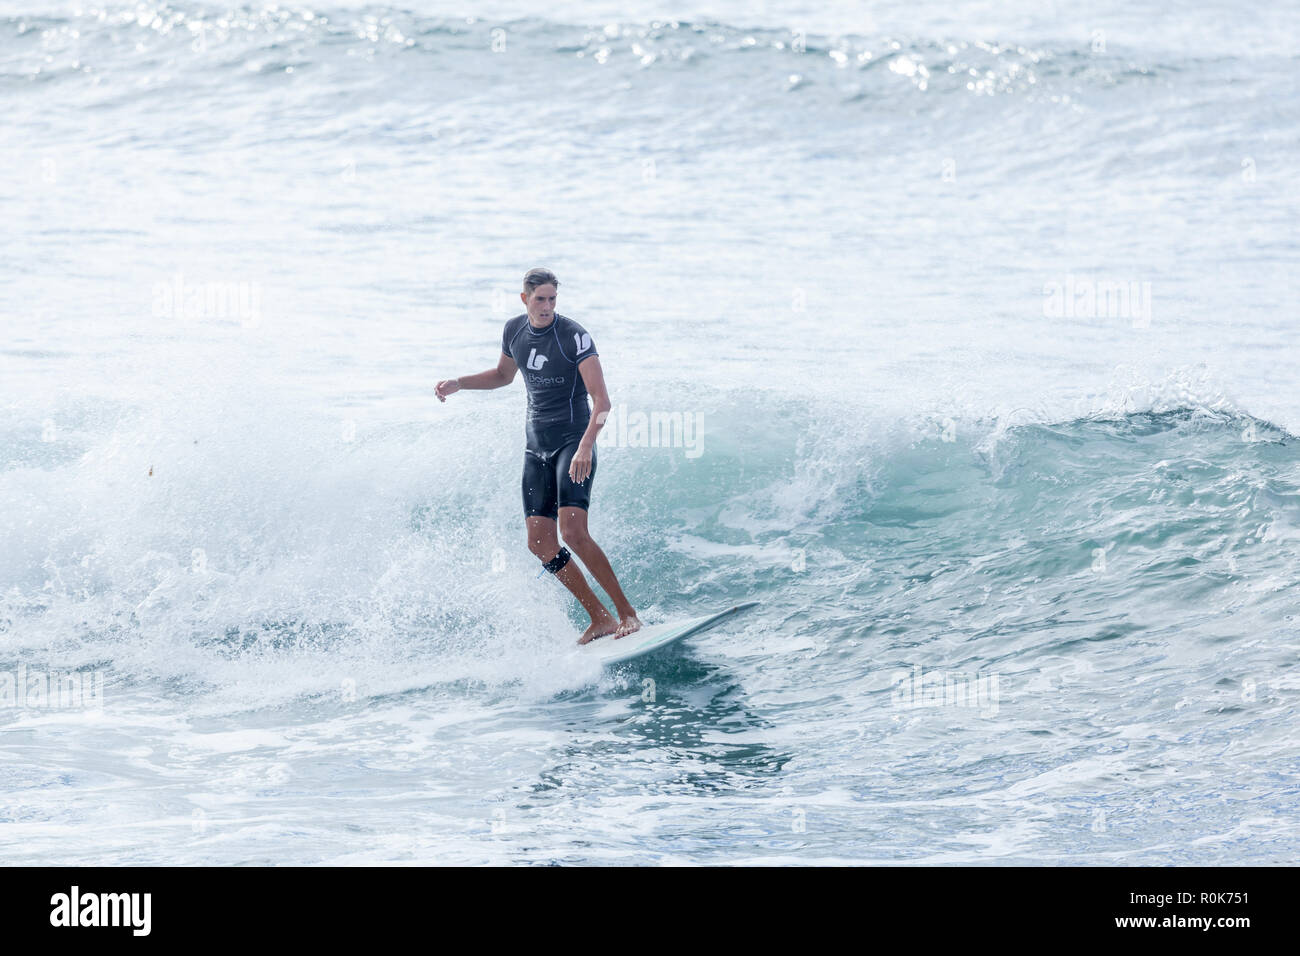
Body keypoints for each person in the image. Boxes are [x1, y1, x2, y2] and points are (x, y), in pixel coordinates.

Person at [435, 268, 642, 643]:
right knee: (539, 542)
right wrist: (460, 383)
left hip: (572, 444)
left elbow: (603, 401)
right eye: (540, 299)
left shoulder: (573, 336)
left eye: (552, 299)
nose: (547, 307)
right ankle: (600, 618)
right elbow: (502, 375)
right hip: (536, 446)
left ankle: (627, 614)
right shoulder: (514, 330)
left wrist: (585, 446)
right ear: (524, 299)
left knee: (574, 533)